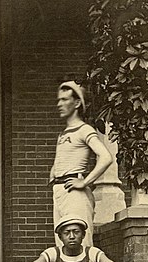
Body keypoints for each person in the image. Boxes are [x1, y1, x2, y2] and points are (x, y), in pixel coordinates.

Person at [49, 81, 112, 247]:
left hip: (75, 193)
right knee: (62, 247)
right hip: (61, 191)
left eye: (64, 100)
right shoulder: (63, 134)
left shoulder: (84, 130)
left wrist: (84, 182)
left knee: (80, 245)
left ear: (77, 103)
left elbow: (106, 157)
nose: (59, 104)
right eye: (59, 100)